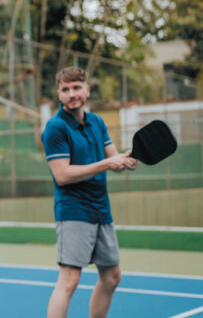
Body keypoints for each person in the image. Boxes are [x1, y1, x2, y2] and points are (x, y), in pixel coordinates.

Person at [42, 67, 137, 318]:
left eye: (76, 87)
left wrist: (125, 160)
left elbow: (113, 159)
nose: (72, 94)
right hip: (73, 211)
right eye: (65, 89)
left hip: (101, 210)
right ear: (59, 93)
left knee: (112, 277)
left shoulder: (98, 122)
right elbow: (62, 175)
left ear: (87, 90)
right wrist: (108, 164)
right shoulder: (55, 128)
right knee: (70, 280)